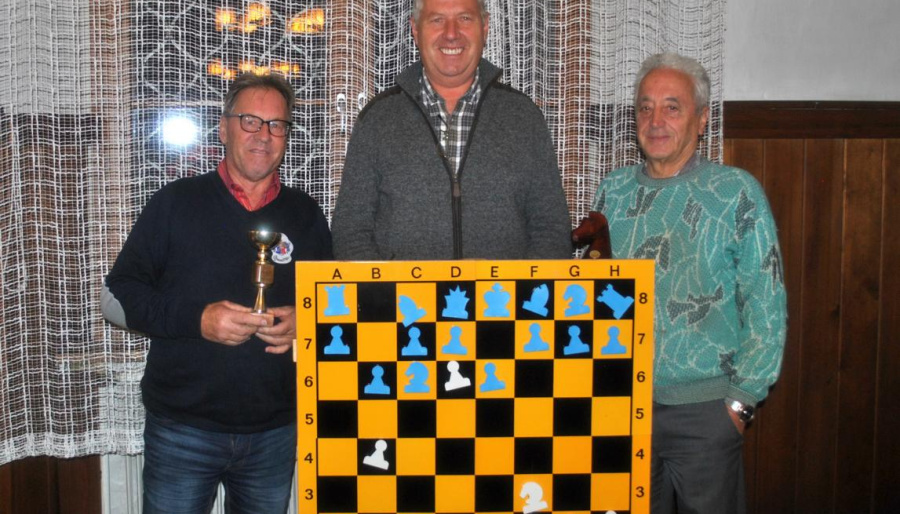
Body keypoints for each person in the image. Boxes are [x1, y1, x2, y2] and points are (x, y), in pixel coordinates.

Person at [101, 72, 333, 513]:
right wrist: (198, 320)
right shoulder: (175, 203)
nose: (263, 135)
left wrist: (309, 321)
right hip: (182, 429)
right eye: (250, 121)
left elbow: (334, 307)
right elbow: (115, 297)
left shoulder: (305, 214)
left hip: (275, 429)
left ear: (287, 136)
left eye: (276, 124)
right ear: (223, 129)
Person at [580, 53, 787, 513]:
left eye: (672, 107)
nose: (655, 121)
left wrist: (739, 405)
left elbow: (766, 304)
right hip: (622, 408)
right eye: (645, 107)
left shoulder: (736, 192)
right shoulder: (613, 191)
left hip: (706, 413)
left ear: (702, 118)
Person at [331, 0, 571, 260]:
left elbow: (551, 230)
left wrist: (517, 287)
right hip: (402, 290)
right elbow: (351, 232)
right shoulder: (377, 120)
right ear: (415, 30)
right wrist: (391, 287)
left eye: (465, 18)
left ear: (485, 27)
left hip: (503, 289)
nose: (451, 33)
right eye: (437, 20)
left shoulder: (524, 118)